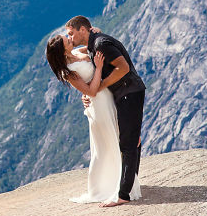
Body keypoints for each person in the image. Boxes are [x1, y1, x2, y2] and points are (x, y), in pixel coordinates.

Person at [46, 32, 142, 206]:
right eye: (67, 40)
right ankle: (107, 186)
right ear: (63, 49)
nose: (70, 39)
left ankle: (123, 183)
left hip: (109, 97)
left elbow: (92, 41)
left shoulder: (77, 52)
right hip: (98, 104)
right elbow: (90, 91)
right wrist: (98, 68)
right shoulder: (68, 70)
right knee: (107, 144)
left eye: (69, 36)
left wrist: (92, 31)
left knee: (120, 136)